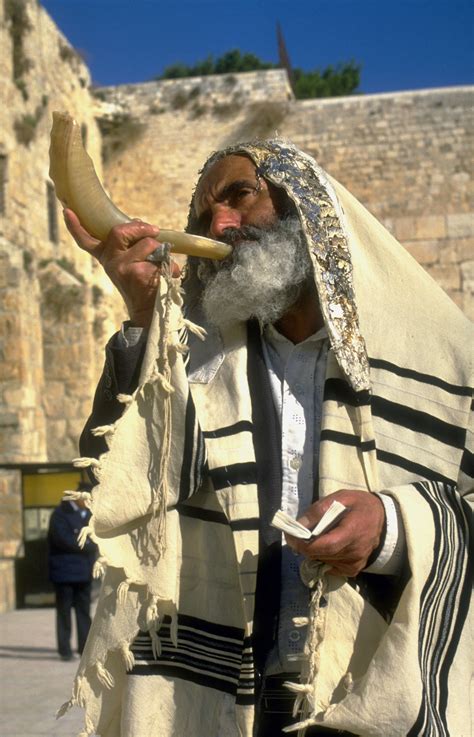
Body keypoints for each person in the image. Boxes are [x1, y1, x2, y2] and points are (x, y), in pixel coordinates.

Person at [59, 140, 472, 737]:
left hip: (374, 688)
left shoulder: (446, 363)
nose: (220, 225)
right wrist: (146, 318)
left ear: (306, 205)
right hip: (220, 698)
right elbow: (112, 487)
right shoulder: (199, 362)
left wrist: (394, 529)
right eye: (204, 217)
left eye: (239, 196)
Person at [48, 482, 97, 661]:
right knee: (64, 612)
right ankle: (65, 650)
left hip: (84, 573)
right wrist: (90, 544)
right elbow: (64, 540)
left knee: (84, 612)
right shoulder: (60, 514)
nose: (90, 502)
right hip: (64, 573)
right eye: (87, 498)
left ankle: (85, 649)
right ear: (78, 497)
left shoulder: (90, 515)